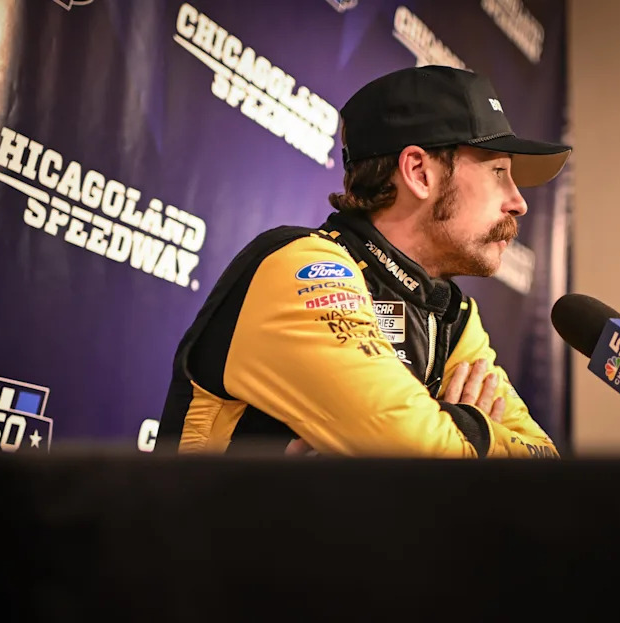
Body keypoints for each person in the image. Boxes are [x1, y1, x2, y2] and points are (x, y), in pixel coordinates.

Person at [156, 65, 571, 458]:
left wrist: (449, 432)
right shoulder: (302, 265)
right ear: (419, 172)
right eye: (499, 171)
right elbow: (412, 449)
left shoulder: (452, 316)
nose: (518, 203)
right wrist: (474, 426)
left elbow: (542, 463)